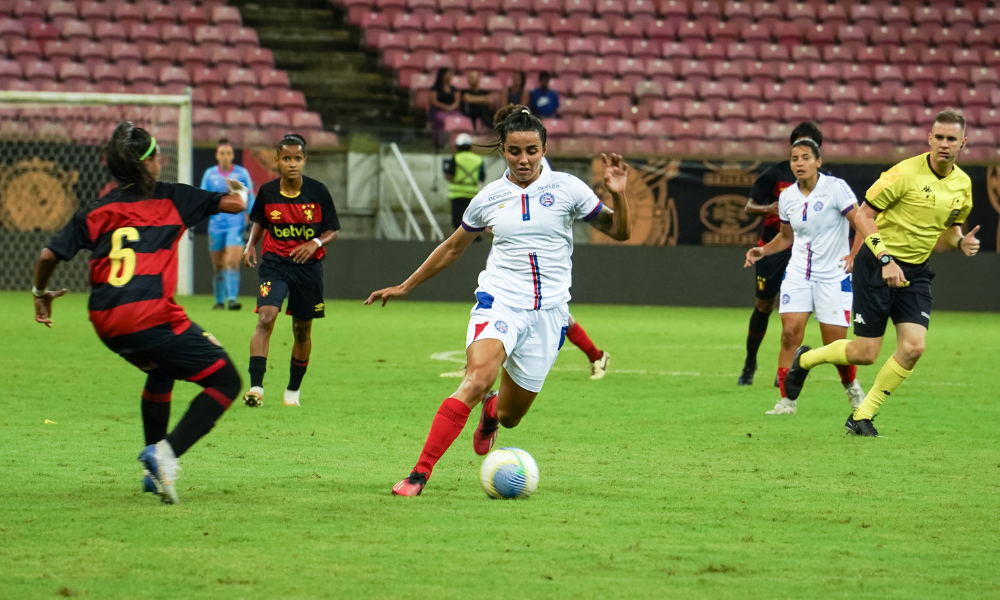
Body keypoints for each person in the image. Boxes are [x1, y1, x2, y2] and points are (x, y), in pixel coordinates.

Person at [366, 105, 632, 496]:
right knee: (476, 379)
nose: (523, 159)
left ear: (543, 149)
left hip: (549, 315)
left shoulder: (568, 188)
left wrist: (620, 196)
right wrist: (407, 285)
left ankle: (491, 414)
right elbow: (453, 247)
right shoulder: (489, 197)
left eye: (531, 151)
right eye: (514, 151)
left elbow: (620, 231)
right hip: (500, 301)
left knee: (510, 417)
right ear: (503, 151)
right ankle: (419, 474)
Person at [31, 122, 248, 504]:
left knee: (161, 372)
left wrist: (40, 293)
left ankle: (153, 472)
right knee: (227, 381)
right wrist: (239, 187)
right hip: (149, 316)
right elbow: (236, 204)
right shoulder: (173, 198)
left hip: (105, 321)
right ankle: (165, 454)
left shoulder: (96, 209)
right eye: (155, 155)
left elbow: (49, 254)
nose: (160, 159)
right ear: (147, 164)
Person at [784, 109, 980, 436]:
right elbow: (864, 214)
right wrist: (886, 259)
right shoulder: (903, 173)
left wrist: (960, 243)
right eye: (939, 137)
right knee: (865, 353)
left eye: (952, 139)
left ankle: (862, 415)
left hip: (915, 272)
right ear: (929, 138)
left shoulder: (962, 185)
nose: (944, 144)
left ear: (963, 143)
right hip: (877, 264)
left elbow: (949, 230)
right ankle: (805, 359)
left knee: (914, 347)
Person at [744, 138, 865, 415]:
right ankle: (787, 402)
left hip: (833, 275)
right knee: (789, 334)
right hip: (799, 272)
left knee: (835, 344)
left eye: (805, 158)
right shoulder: (787, 197)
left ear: (818, 161)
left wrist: (854, 254)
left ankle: (851, 386)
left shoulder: (836, 188)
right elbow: (786, 237)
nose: (799, 163)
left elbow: (861, 221)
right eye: (794, 158)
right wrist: (763, 251)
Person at [242, 134, 340, 408]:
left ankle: (292, 392)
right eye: (287, 158)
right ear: (278, 161)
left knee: (301, 330)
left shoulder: (318, 192)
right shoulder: (268, 192)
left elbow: (333, 229)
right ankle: (256, 388)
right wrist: (250, 245)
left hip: (308, 269)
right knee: (265, 318)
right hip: (275, 265)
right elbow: (260, 221)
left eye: (297, 158)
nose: (292, 164)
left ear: (304, 160)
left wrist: (315, 242)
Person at [739, 121, 824, 387]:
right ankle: (750, 362)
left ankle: (783, 371)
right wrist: (770, 208)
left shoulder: (827, 183)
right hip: (773, 248)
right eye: (798, 147)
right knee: (763, 307)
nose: (802, 154)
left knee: (795, 313)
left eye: (810, 147)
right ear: (791, 148)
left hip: (803, 252)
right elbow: (749, 207)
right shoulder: (774, 174)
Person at [202, 138, 254, 311]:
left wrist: (252, 219)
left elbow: (250, 197)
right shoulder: (210, 175)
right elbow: (202, 198)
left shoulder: (241, 174)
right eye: (222, 153)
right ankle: (219, 301)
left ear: (232, 156)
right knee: (218, 264)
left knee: (232, 261)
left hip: (236, 224)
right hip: (216, 225)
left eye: (228, 153)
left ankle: (232, 300)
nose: (225, 156)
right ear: (217, 155)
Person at [443, 132, 485, 231]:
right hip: (472, 194)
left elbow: (449, 176)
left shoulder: (455, 158)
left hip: (456, 194)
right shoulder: (478, 159)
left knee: (458, 222)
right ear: (470, 146)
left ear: (457, 146)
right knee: (471, 221)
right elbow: (481, 177)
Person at [429, 67, 462, 148]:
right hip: (439, 110)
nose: (450, 76)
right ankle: (440, 142)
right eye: (448, 74)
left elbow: (457, 101)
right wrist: (445, 107)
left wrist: (451, 108)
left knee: (460, 118)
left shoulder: (454, 89)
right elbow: (434, 101)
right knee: (442, 119)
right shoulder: (435, 88)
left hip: (452, 110)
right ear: (443, 75)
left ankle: (454, 142)